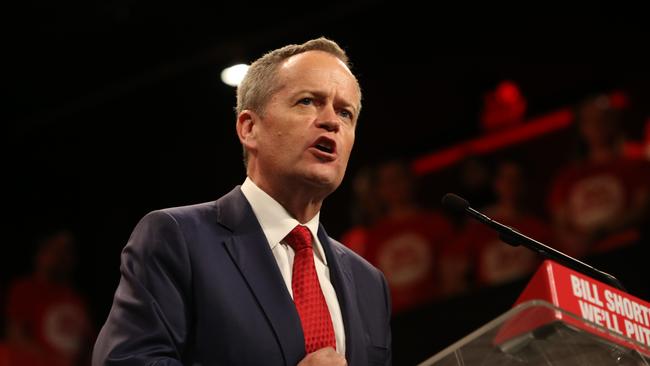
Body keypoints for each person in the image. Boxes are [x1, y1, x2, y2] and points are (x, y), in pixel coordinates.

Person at [92, 38, 392, 366]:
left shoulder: (369, 283)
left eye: (345, 113)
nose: (331, 121)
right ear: (249, 128)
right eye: (307, 101)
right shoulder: (177, 238)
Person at [363, 160, 453, 313]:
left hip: (437, 309)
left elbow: (452, 273)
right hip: (396, 319)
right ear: (379, 190)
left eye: (398, 179)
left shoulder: (434, 222)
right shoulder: (374, 235)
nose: (394, 186)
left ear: (410, 181)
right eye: (387, 182)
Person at [4, 229, 93, 366]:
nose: (63, 257)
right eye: (57, 250)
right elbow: (16, 338)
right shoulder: (25, 290)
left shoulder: (75, 298)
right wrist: (55, 361)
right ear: (41, 253)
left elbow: (89, 342)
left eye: (68, 251)